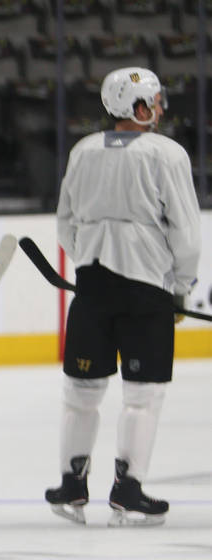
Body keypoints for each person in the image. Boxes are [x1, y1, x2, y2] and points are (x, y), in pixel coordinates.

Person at [46, 67, 201, 527]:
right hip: (146, 290)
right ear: (134, 107)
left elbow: (64, 223)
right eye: (151, 100)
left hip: (91, 287)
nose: (158, 107)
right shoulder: (167, 154)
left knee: (81, 392)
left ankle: (71, 487)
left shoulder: (83, 151)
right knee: (143, 396)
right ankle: (127, 491)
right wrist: (180, 288)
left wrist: (92, 260)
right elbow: (187, 236)